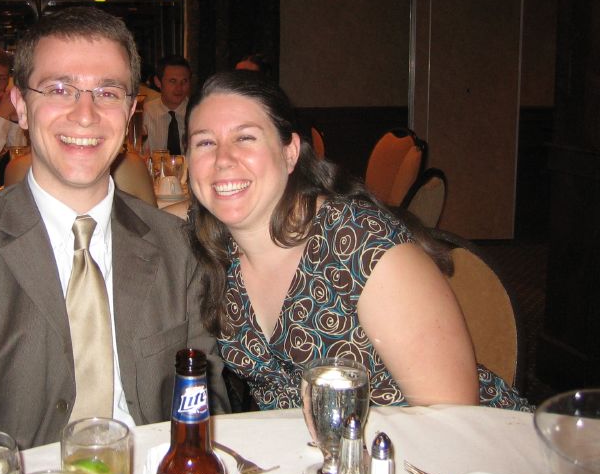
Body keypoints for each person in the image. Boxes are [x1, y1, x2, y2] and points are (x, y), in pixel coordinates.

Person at [0, 7, 229, 472]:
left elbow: (207, 404)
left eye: (107, 91)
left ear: (130, 110)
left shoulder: (177, 248)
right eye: (59, 89)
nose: (85, 115)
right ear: (19, 103)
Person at [184, 70, 530, 411]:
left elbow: (452, 415)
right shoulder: (216, 245)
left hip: (448, 453)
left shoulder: (357, 242)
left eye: (245, 138)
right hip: (318, 458)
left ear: (290, 153)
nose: (222, 160)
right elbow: (144, 216)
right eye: (205, 143)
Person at [142, 55, 191, 155]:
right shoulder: (144, 113)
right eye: (172, 81)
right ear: (158, 82)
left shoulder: (197, 112)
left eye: (184, 81)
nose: (179, 88)